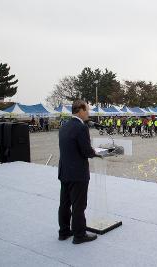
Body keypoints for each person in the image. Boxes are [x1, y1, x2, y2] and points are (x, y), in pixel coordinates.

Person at [58, 100, 98, 244]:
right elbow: (86, 151)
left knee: (64, 203)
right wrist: (97, 153)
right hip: (78, 173)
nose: (88, 113)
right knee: (79, 205)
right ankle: (79, 235)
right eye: (87, 110)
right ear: (80, 110)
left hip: (64, 171)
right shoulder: (81, 128)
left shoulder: (64, 126)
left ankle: (63, 232)